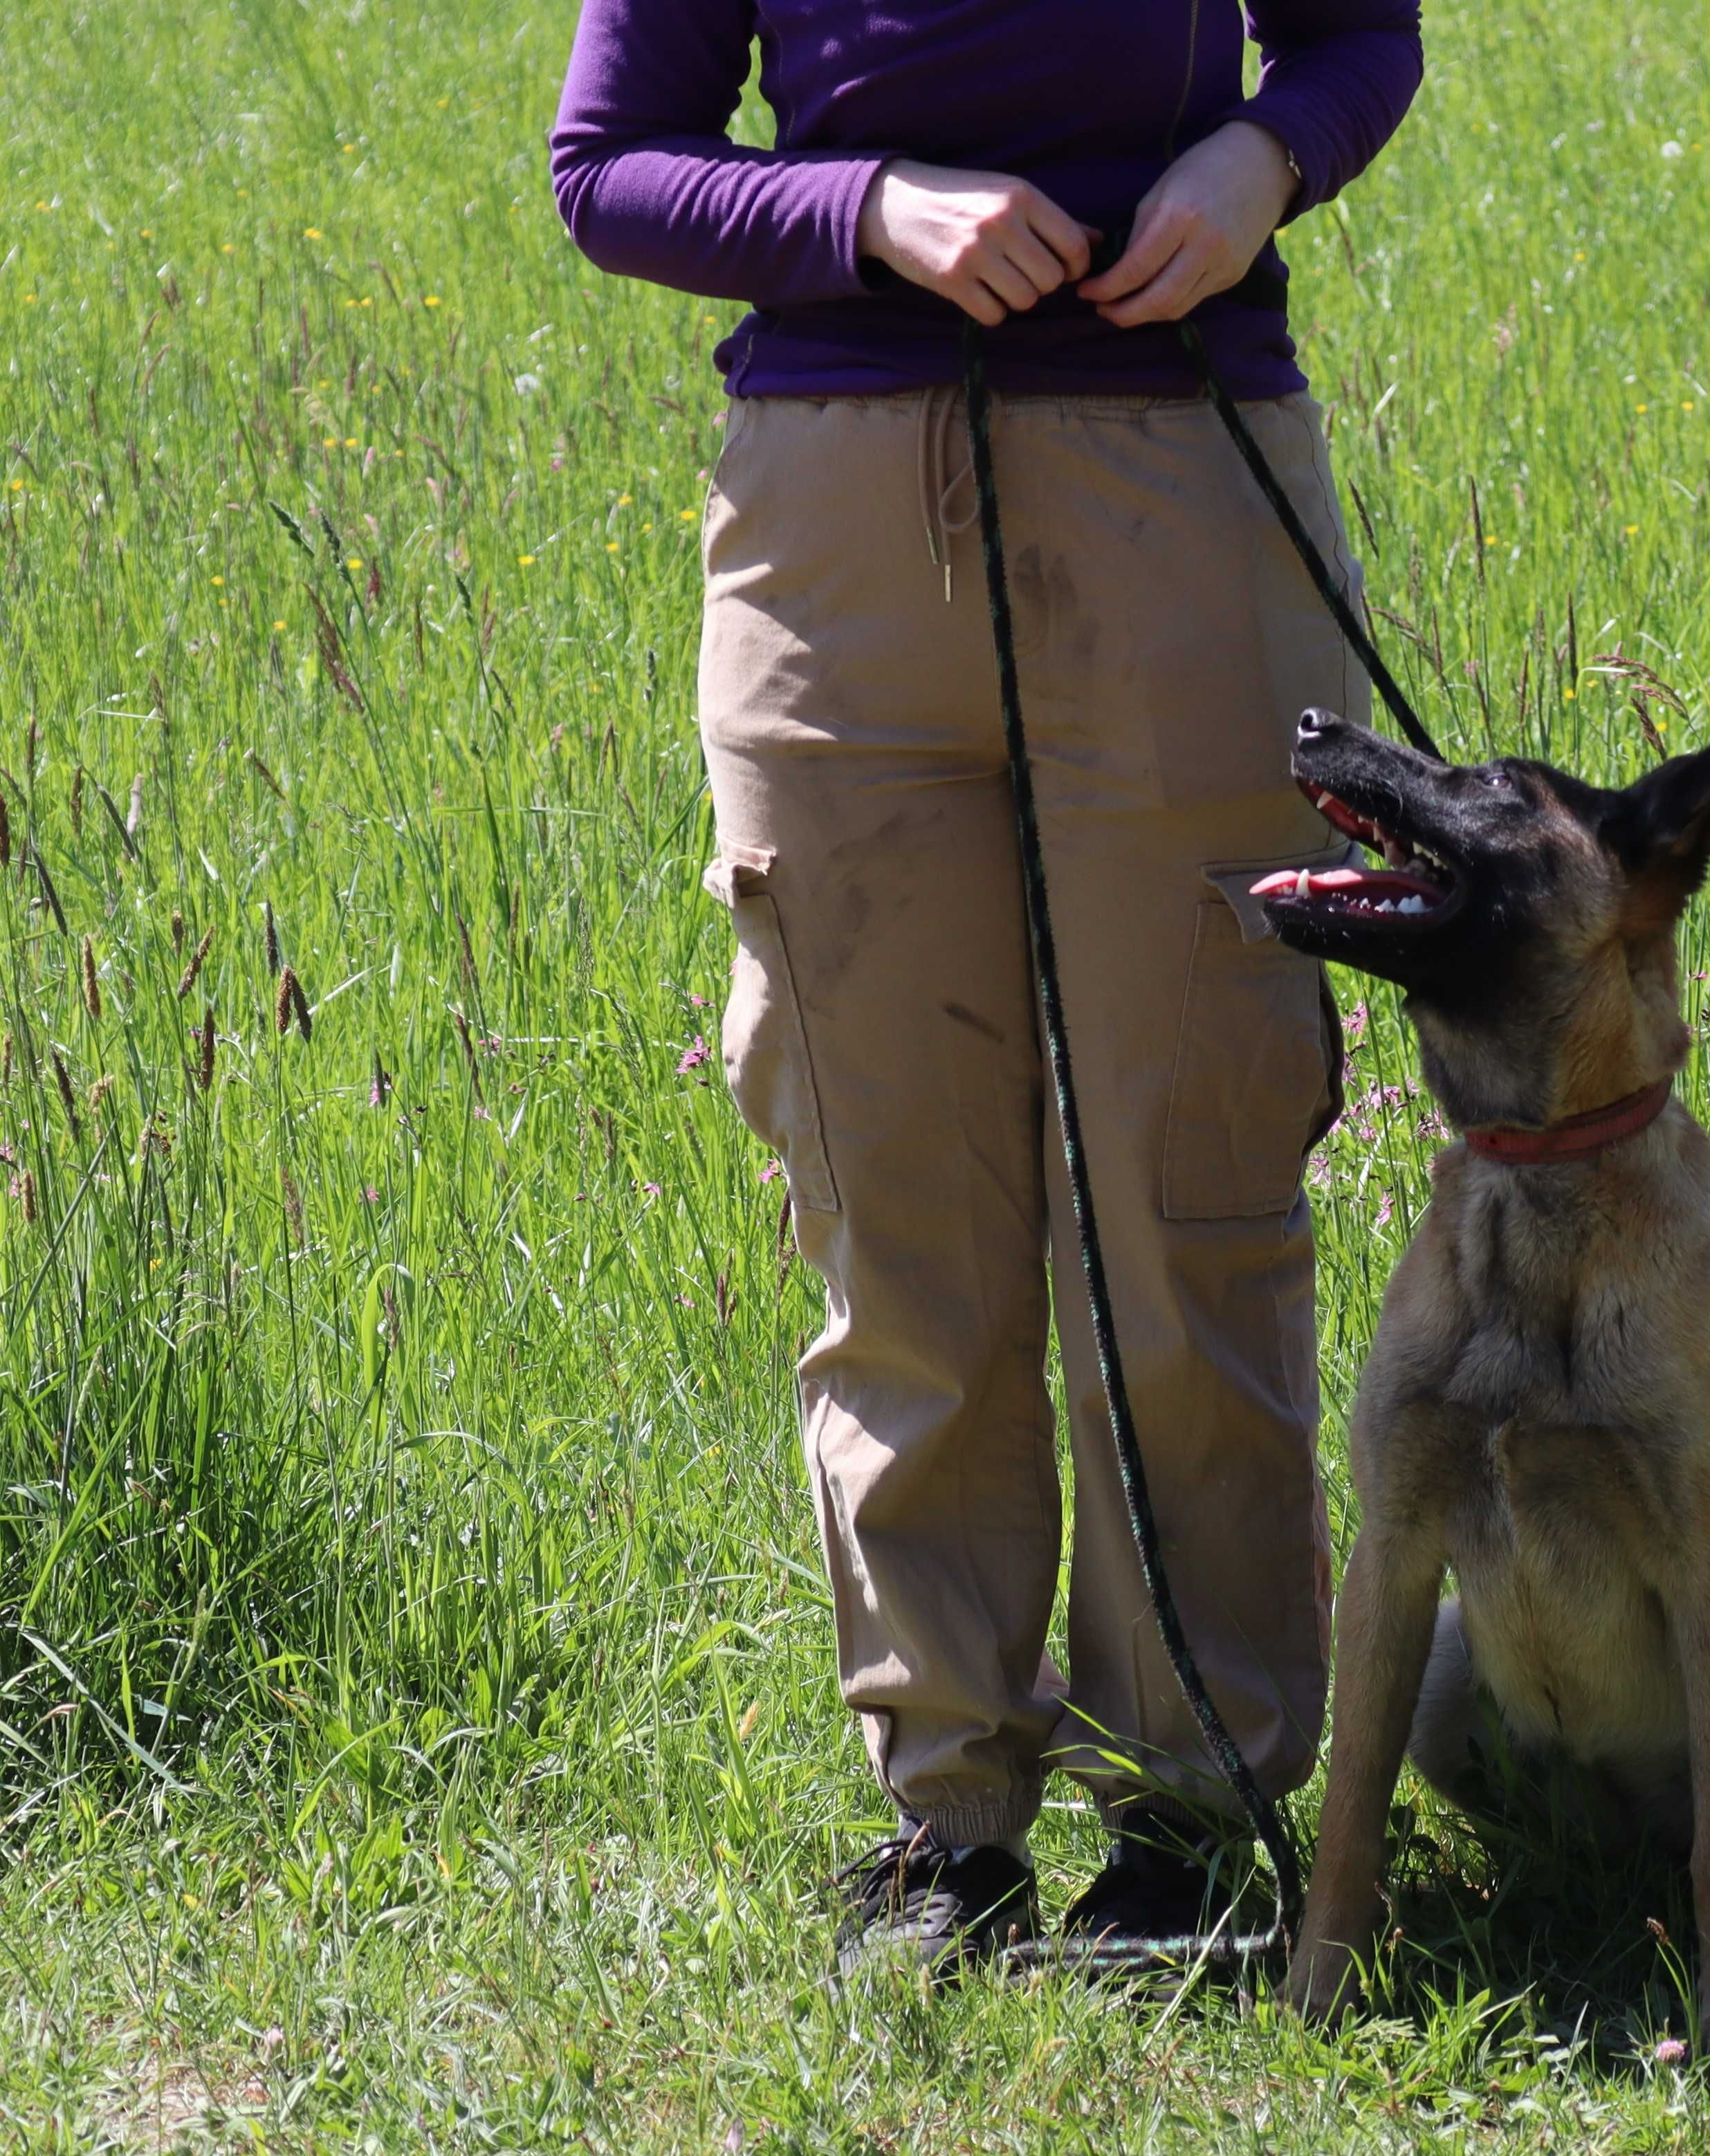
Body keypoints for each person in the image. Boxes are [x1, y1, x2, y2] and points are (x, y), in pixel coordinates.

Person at [551, 0, 1423, 1973]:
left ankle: (1193, 1820)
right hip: (834, 544)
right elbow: (604, 167)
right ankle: (944, 1829)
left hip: (1177, 491)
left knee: (1184, 1180)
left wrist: (1260, 161)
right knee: (897, 1201)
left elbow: (1362, 38)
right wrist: (869, 211)